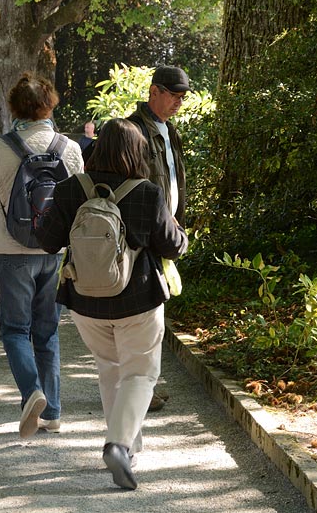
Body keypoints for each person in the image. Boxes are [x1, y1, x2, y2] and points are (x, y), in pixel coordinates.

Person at [36, 118, 188, 490]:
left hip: (85, 302)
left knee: (110, 367)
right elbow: (172, 245)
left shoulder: (72, 189)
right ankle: (119, 444)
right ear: (136, 152)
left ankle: (127, 445)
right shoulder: (147, 193)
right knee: (141, 373)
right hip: (138, 300)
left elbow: (47, 241)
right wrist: (181, 236)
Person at [0, 74, 84, 438]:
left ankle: (31, 390)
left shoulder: (2, 148)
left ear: (15, 107)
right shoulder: (69, 148)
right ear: (50, 104)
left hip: (13, 249)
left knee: (15, 328)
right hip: (54, 250)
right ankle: (53, 412)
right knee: (47, 330)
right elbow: (80, 205)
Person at [128, 65, 191, 412]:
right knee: (144, 318)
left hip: (164, 231)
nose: (179, 102)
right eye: (174, 95)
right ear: (154, 92)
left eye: (183, 97)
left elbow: (174, 180)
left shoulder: (169, 130)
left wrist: (177, 227)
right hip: (143, 235)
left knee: (154, 316)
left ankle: (147, 384)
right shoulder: (132, 129)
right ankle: (140, 389)